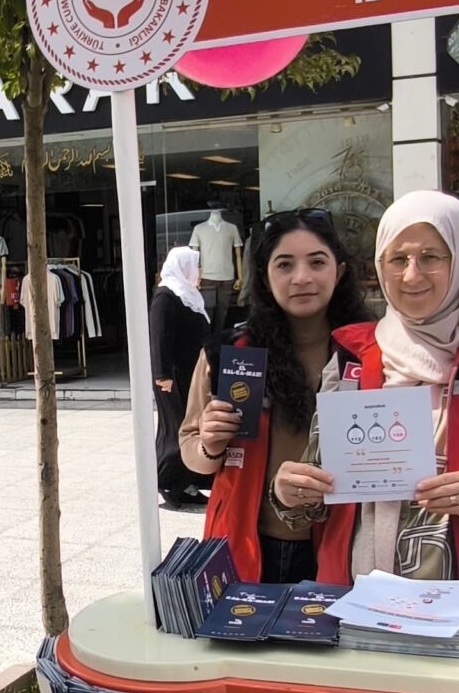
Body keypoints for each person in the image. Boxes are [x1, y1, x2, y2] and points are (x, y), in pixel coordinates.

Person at [275, 193, 459, 583]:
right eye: (398, 259)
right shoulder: (351, 361)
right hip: (358, 602)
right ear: (380, 266)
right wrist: (290, 492)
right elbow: (320, 494)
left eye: (431, 257)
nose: (411, 275)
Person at [177, 208, 372, 581]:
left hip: (345, 548)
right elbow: (191, 454)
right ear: (265, 276)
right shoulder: (229, 354)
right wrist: (209, 445)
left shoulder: (372, 354)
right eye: (284, 265)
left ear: (340, 271)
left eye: (317, 262)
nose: (302, 278)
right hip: (245, 548)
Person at [151, 247, 212, 511]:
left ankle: (188, 482)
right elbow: (158, 339)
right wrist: (162, 375)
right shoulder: (166, 296)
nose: (199, 272)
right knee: (175, 429)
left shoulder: (188, 295)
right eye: (196, 266)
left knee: (191, 427)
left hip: (191, 375)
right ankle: (168, 482)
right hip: (172, 377)